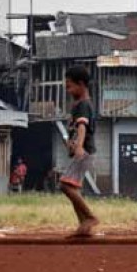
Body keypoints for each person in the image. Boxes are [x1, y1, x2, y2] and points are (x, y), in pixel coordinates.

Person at [59, 66, 100, 236]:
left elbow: (82, 126)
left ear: (81, 84)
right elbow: (75, 129)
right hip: (83, 150)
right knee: (71, 187)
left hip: (85, 151)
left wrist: (80, 146)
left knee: (65, 185)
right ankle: (83, 226)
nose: (68, 90)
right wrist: (71, 143)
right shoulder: (79, 105)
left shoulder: (84, 105)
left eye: (69, 86)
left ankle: (89, 217)